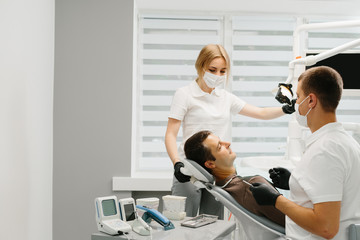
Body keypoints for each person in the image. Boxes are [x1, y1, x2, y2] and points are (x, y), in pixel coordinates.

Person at [165, 43, 295, 218]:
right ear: (200, 66)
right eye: (212, 69)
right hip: (190, 170)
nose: (217, 75)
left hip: (219, 171)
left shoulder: (225, 98)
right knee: (182, 221)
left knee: (213, 224)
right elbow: (170, 134)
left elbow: (261, 113)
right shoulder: (185, 94)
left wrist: (285, 109)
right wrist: (176, 163)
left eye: (222, 71)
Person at [250, 66, 360, 239]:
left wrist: (276, 200)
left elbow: (326, 227)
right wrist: (295, 182)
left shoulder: (325, 150)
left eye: (298, 97)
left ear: (311, 101)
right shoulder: (344, 141)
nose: (295, 104)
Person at [183, 130, 285, 227]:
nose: (227, 143)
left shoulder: (226, 187)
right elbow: (294, 221)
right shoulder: (252, 186)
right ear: (210, 164)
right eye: (220, 146)